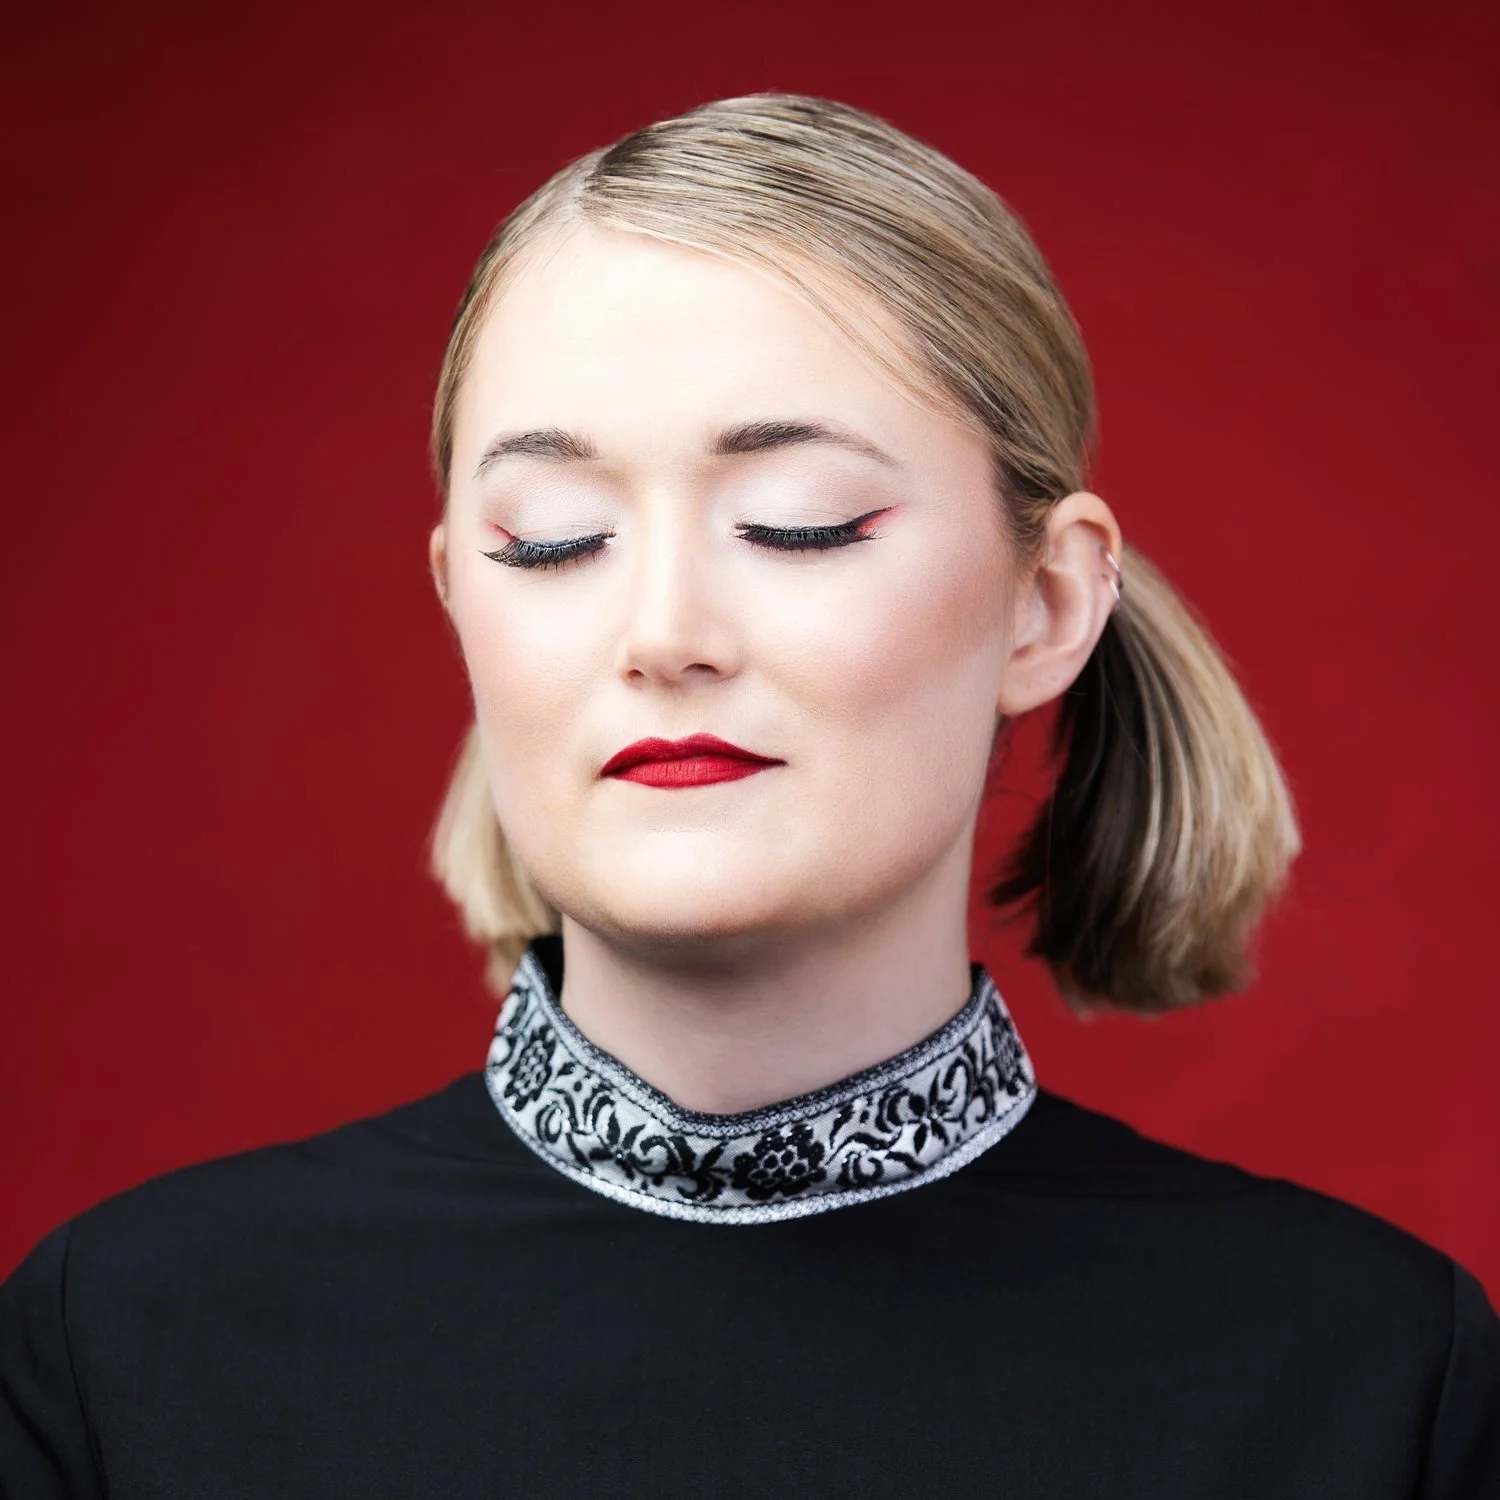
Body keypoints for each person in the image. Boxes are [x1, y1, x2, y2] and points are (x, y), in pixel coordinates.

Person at [2, 91, 1496, 1499]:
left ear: (1047, 604)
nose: (664, 635)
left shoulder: (1372, 1379)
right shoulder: (120, 1353)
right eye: (552, 539)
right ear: (461, 596)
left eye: (800, 523)